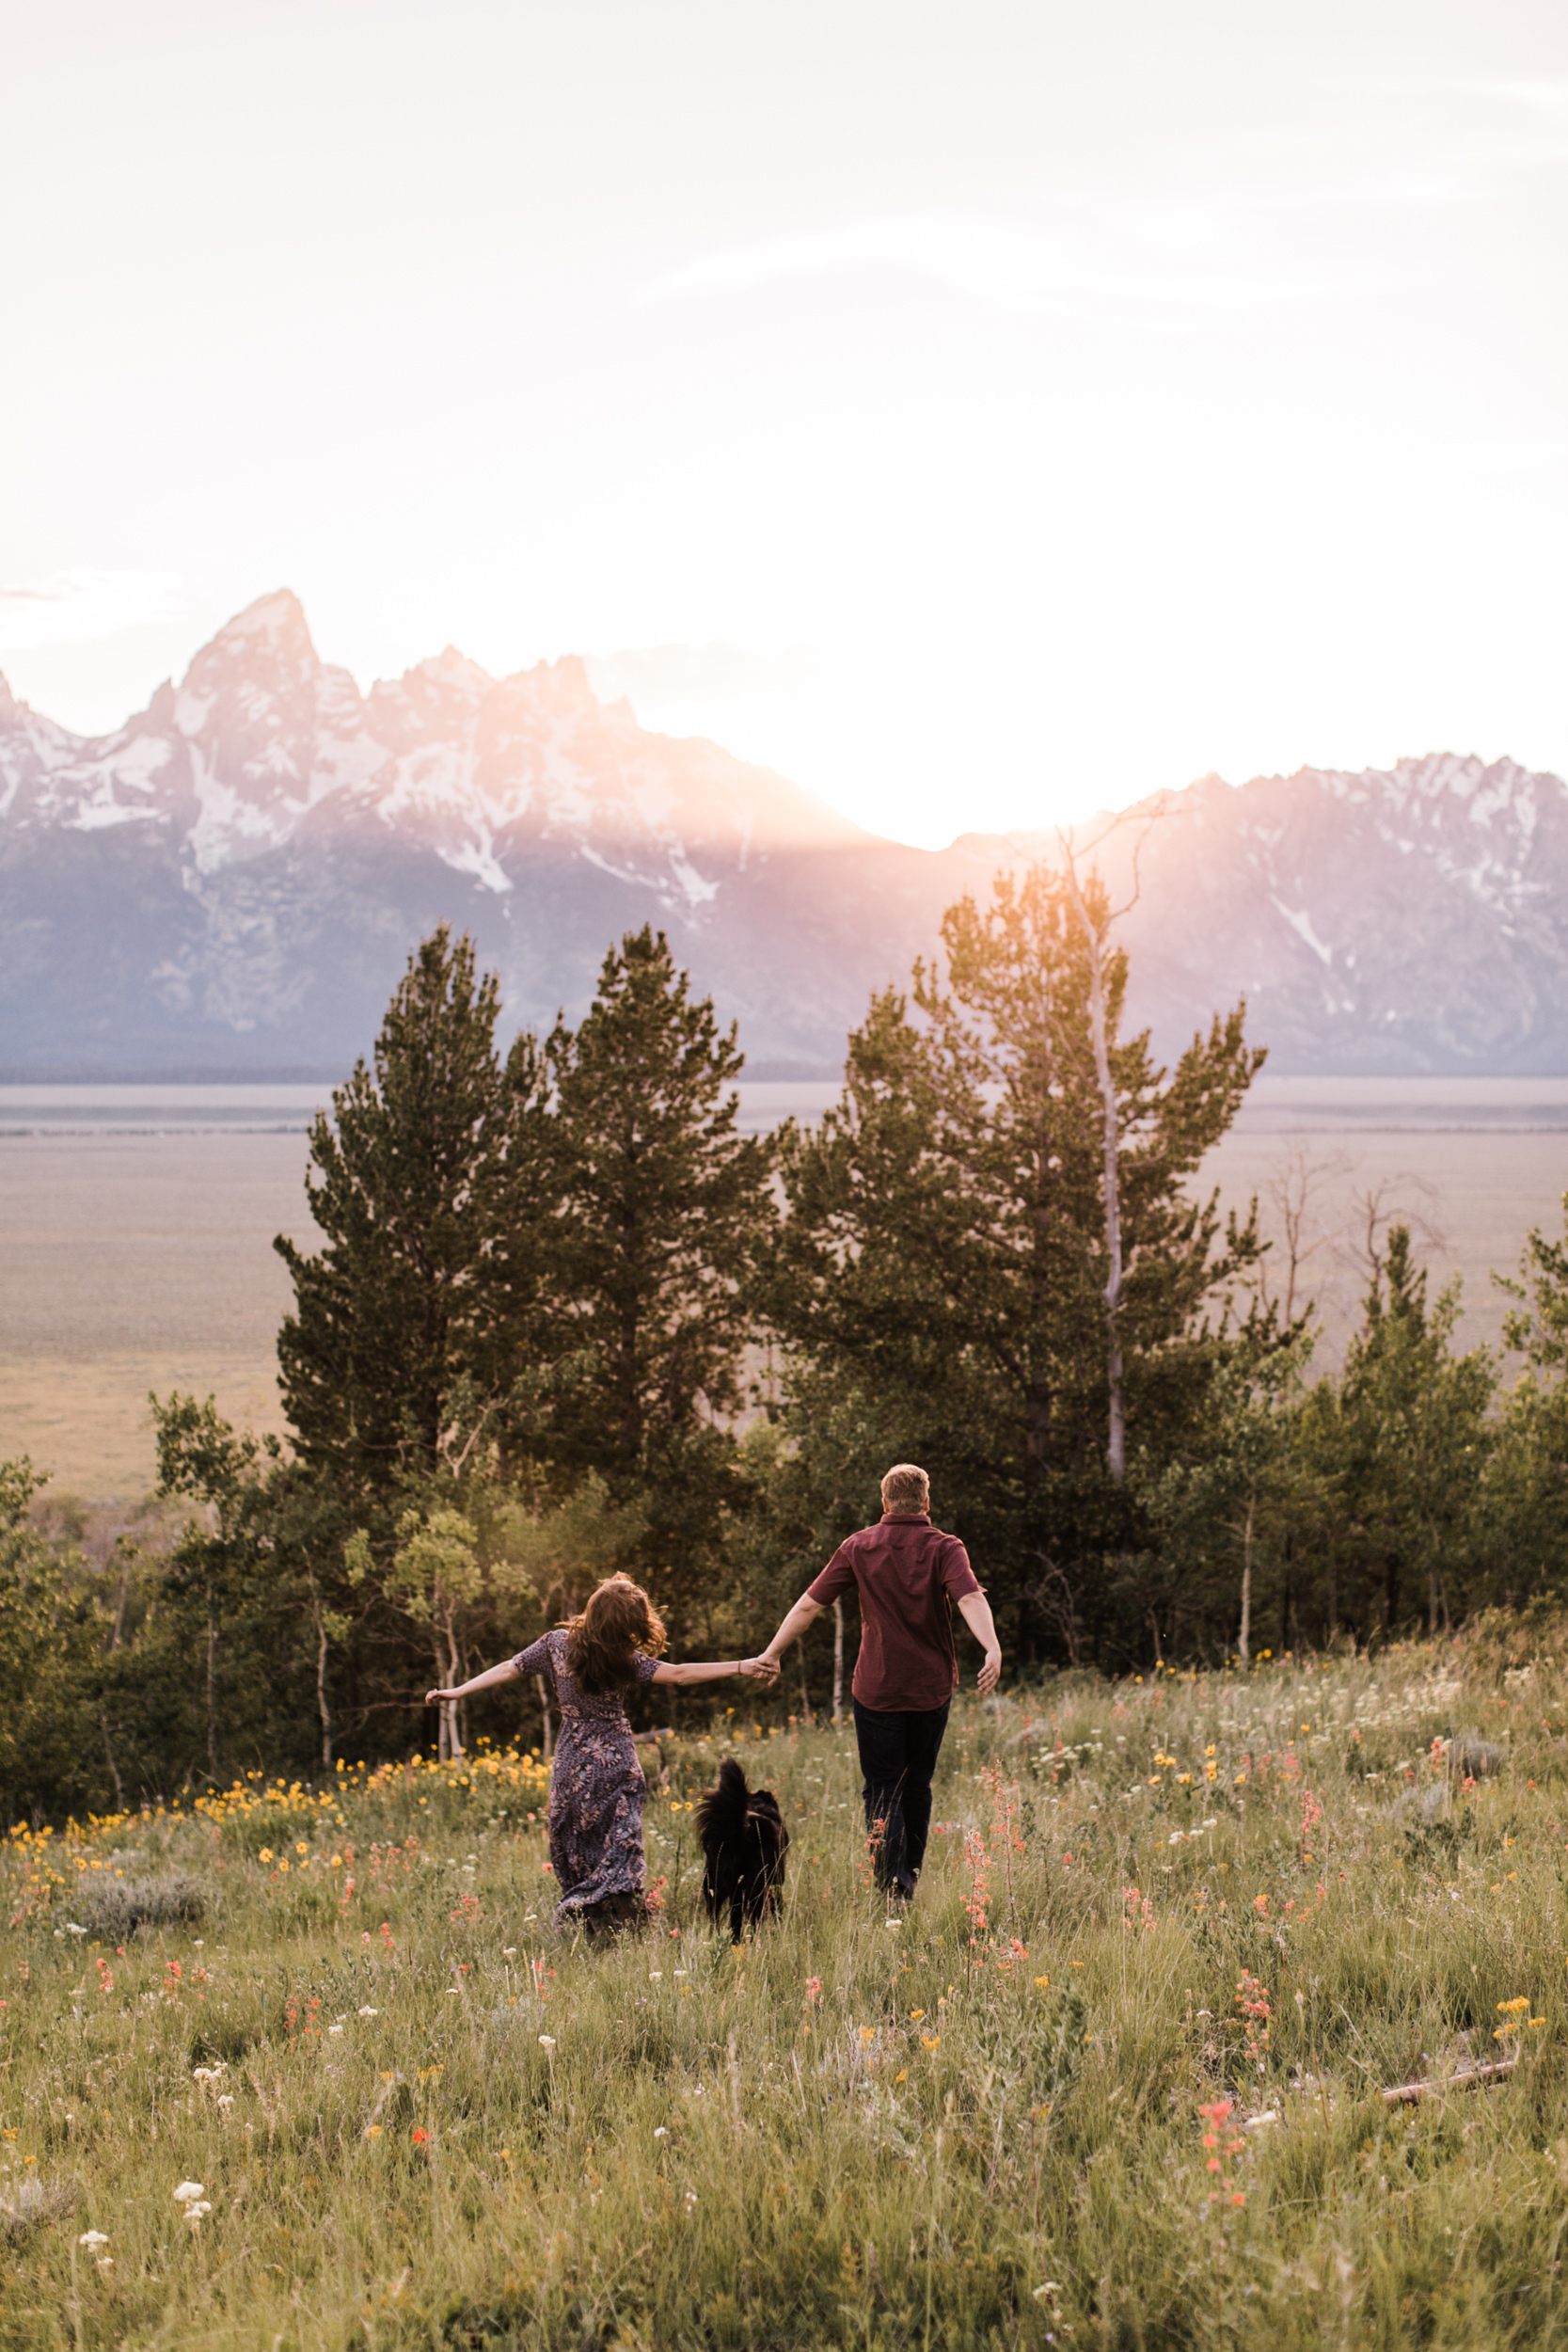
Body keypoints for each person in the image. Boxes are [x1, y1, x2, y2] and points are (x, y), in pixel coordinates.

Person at [426, 1575, 779, 1934]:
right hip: (616, 1762)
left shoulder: (555, 1645)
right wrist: (742, 1665)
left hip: (573, 1760)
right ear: (628, 1625)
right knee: (620, 1842)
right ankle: (620, 1917)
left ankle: (589, 1912)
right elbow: (681, 1674)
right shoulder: (624, 1660)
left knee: (577, 1837)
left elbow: (509, 1667)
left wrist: (458, 1691)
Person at [759, 1463, 999, 1900]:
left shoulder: (859, 1546)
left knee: (884, 1788)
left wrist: (772, 1653)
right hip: (930, 1691)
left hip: (877, 1691)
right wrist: (992, 1647)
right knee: (918, 1784)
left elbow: (809, 1606)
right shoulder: (946, 1547)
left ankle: (893, 1888)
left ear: (884, 1503)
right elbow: (968, 1597)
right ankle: (907, 1878)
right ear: (927, 1502)